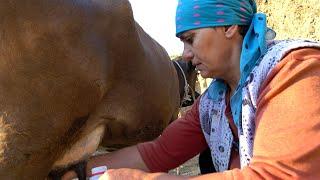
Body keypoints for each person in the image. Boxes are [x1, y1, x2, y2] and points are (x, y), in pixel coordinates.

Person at [63, 0, 320, 179]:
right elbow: (158, 153)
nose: (185, 54)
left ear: (229, 27)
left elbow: (279, 176)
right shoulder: (213, 103)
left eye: (190, 39)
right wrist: (81, 171)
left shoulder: (294, 72)